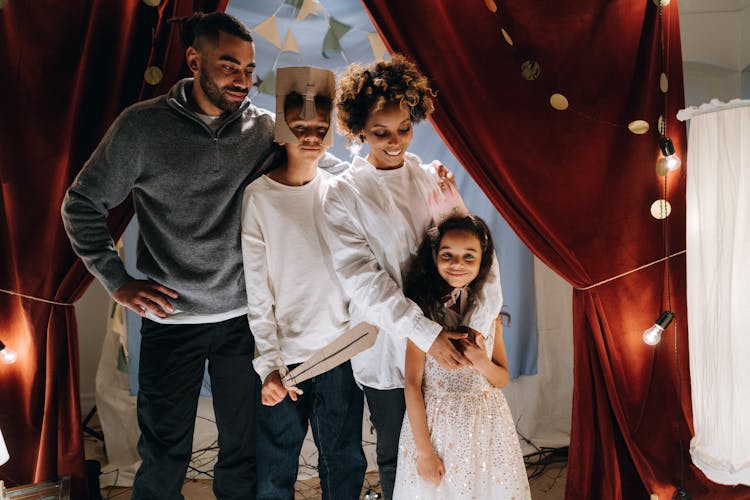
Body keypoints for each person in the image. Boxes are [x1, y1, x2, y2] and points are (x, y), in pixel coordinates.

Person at [62, 12, 271, 499]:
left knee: (242, 450)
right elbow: (81, 203)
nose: (242, 80)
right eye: (228, 66)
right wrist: (116, 280)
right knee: (163, 452)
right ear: (194, 60)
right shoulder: (142, 127)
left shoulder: (264, 130)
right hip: (169, 319)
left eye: (248, 68)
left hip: (244, 319)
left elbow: (324, 174)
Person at [322, 54, 502, 500]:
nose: (395, 141)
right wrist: (426, 335)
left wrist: (480, 328)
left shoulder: (429, 179)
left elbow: (473, 251)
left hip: (454, 347)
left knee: (457, 453)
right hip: (389, 349)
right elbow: (365, 283)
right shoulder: (343, 195)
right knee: (399, 455)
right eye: (381, 132)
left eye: (404, 128)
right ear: (358, 128)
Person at [240, 66, 366, 500]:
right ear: (281, 132)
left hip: (341, 353)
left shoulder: (340, 190)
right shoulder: (259, 198)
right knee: (276, 468)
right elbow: (259, 291)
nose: (309, 135)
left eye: (318, 127)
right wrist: (269, 364)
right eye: (298, 128)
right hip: (287, 359)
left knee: (345, 460)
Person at [393, 215, 531, 499]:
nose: (457, 264)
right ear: (435, 257)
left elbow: (502, 378)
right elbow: (412, 383)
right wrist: (424, 452)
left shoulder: (488, 314)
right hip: (437, 430)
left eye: (469, 256)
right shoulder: (422, 314)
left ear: (483, 262)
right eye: (448, 255)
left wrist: (482, 362)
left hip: (487, 428)